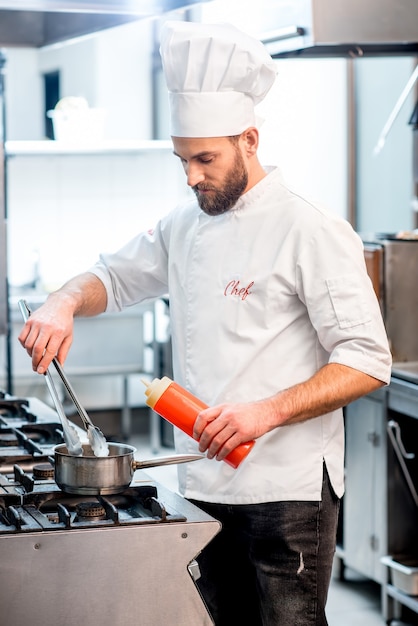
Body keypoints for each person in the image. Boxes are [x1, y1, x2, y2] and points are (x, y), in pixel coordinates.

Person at [19, 20, 392, 626]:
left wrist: (264, 412)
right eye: (181, 159)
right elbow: (110, 277)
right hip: (199, 484)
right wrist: (62, 301)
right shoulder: (184, 225)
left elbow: (366, 360)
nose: (191, 175)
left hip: (286, 491)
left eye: (205, 158)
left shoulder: (310, 228)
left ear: (250, 139)